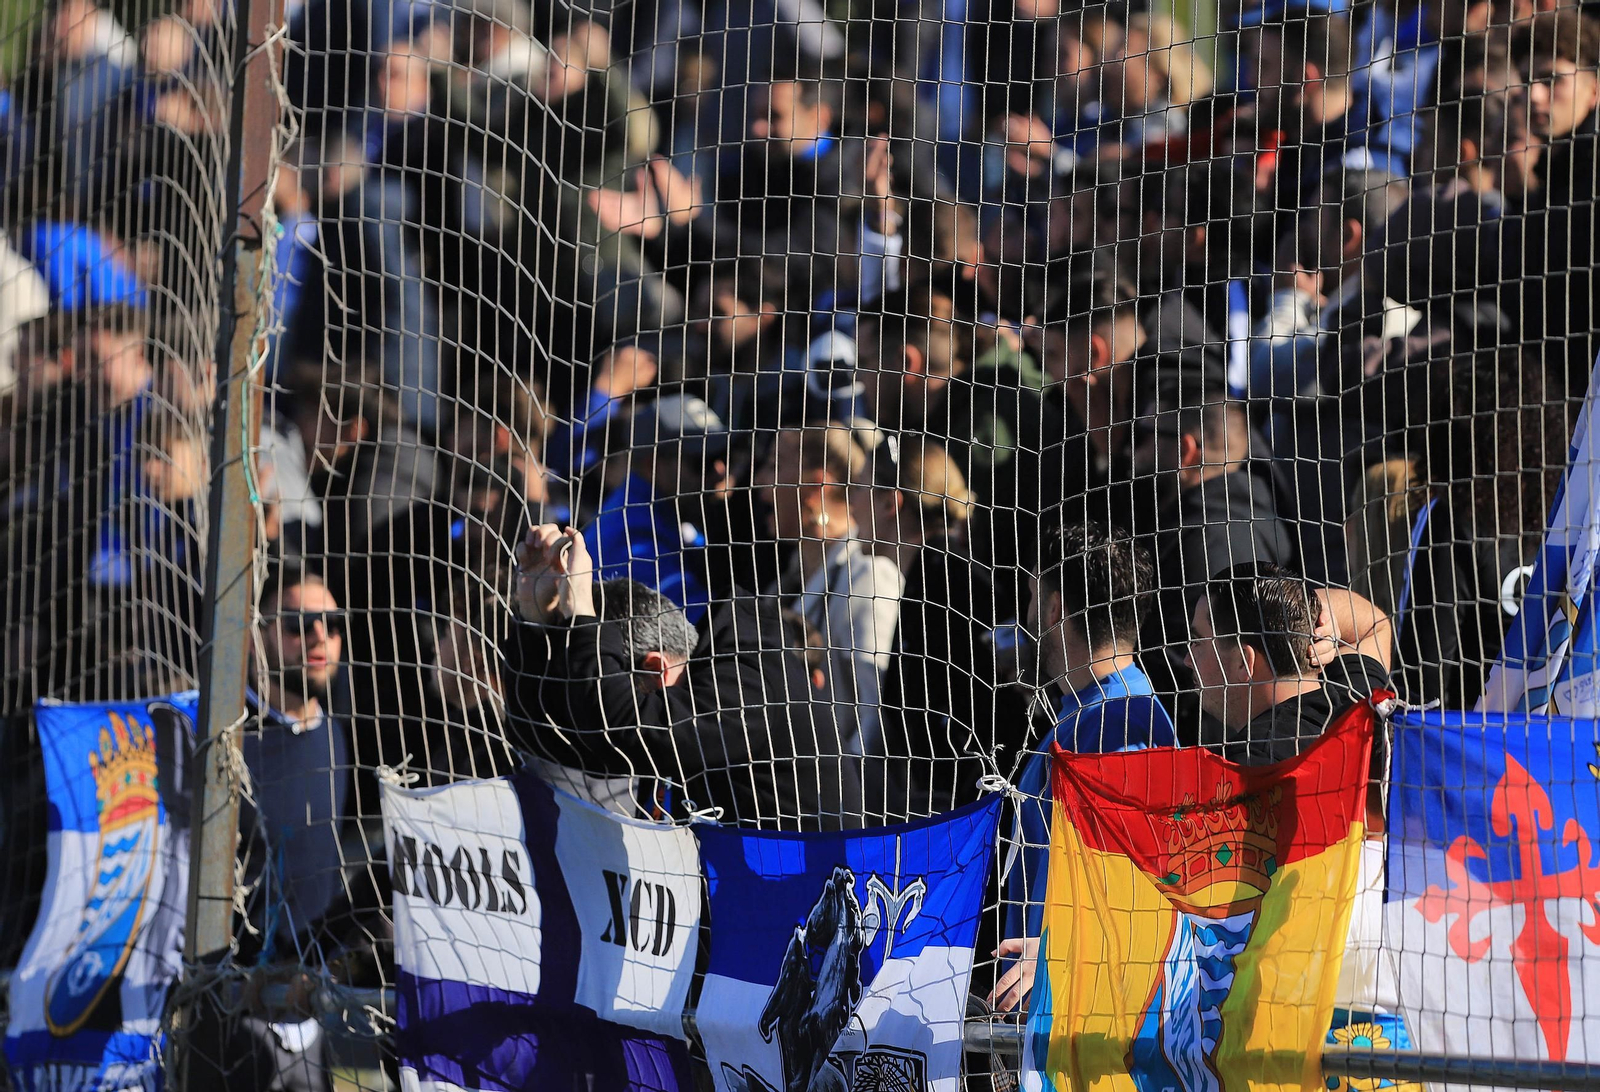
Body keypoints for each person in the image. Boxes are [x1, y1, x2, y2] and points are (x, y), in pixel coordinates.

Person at [505, 523, 863, 828]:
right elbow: (557, 738)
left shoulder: (753, 675)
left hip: (812, 897)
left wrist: (583, 613)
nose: (593, 703)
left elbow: (621, 728)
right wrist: (537, 617)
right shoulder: (696, 693)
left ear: (655, 669)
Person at [988, 519, 1177, 1013]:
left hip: (1084, 1023)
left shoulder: (1120, 723)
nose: (1027, 615)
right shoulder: (1094, 714)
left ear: (1055, 607)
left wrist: (1059, 960)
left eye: (1032, 597)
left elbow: (1139, 895)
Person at [753, 425, 902, 756]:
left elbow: (872, 716)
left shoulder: (866, 577)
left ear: (817, 483)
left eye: (776, 466)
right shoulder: (781, 587)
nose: (763, 486)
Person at [1185, 562, 1393, 766]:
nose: (1187, 660)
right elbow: (1375, 626)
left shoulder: (1250, 763)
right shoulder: (1356, 706)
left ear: (1243, 662)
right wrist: (1305, 618)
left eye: (1197, 643)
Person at [583, 394, 734, 625]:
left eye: (722, 457)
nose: (719, 471)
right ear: (652, 464)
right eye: (702, 460)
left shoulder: (667, 513)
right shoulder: (631, 536)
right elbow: (699, 623)